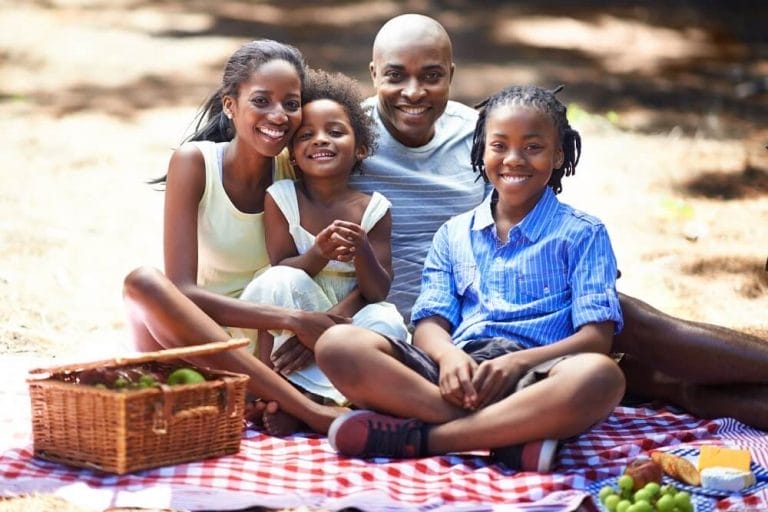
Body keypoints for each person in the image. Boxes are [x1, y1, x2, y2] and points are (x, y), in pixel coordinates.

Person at [347, 13, 768, 431]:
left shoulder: (477, 133)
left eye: (432, 75)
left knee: (619, 315)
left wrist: (577, 262)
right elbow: (289, 204)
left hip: (511, 303)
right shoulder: (345, 137)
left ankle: (668, 385)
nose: (413, 92)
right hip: (426, 326)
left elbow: (522, 203)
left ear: (451, 74)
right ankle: (653, 389)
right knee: (635, 369)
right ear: (373, 73)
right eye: (396, 76)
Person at [315, 84, 626, 471]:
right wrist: (448, 358)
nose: (514, 159)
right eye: (499, 146)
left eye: (533, 147)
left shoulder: (583, 233)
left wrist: (516, 364)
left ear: (559, 154)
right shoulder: (454, 233)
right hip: (458, 373)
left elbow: (596, 339)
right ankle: (509, 439)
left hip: (540, 375)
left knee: (602, 375)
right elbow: (429, 323)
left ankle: (424, 439)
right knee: (337, 345)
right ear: (481, 151)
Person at [122, 40, 352, 435]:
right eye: (261, 101)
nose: (278, 115)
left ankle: (259, 398)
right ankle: (307, 411)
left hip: (273, 349)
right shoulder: (195, 163)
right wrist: (294, 319)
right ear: (230, 105)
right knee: (142, 282)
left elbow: (351, 262)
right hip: (199, 339)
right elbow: (183, 291)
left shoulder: (297, 167)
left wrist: (314, 327)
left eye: (291, 103)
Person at [247, 68, 407, 411]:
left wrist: (362, 251)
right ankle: (272, 390)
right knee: (278, 281)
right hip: (300, 309)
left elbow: (377, 292)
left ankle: (331, 401)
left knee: (387, 321)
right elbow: (282, 268)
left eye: (335, 132)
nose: (320, 140)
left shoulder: (373, 209)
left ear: (360, 147)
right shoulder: (282, 197)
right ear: (292, 154)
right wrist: (317, 254)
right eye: (306, 135)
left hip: (352, 315)